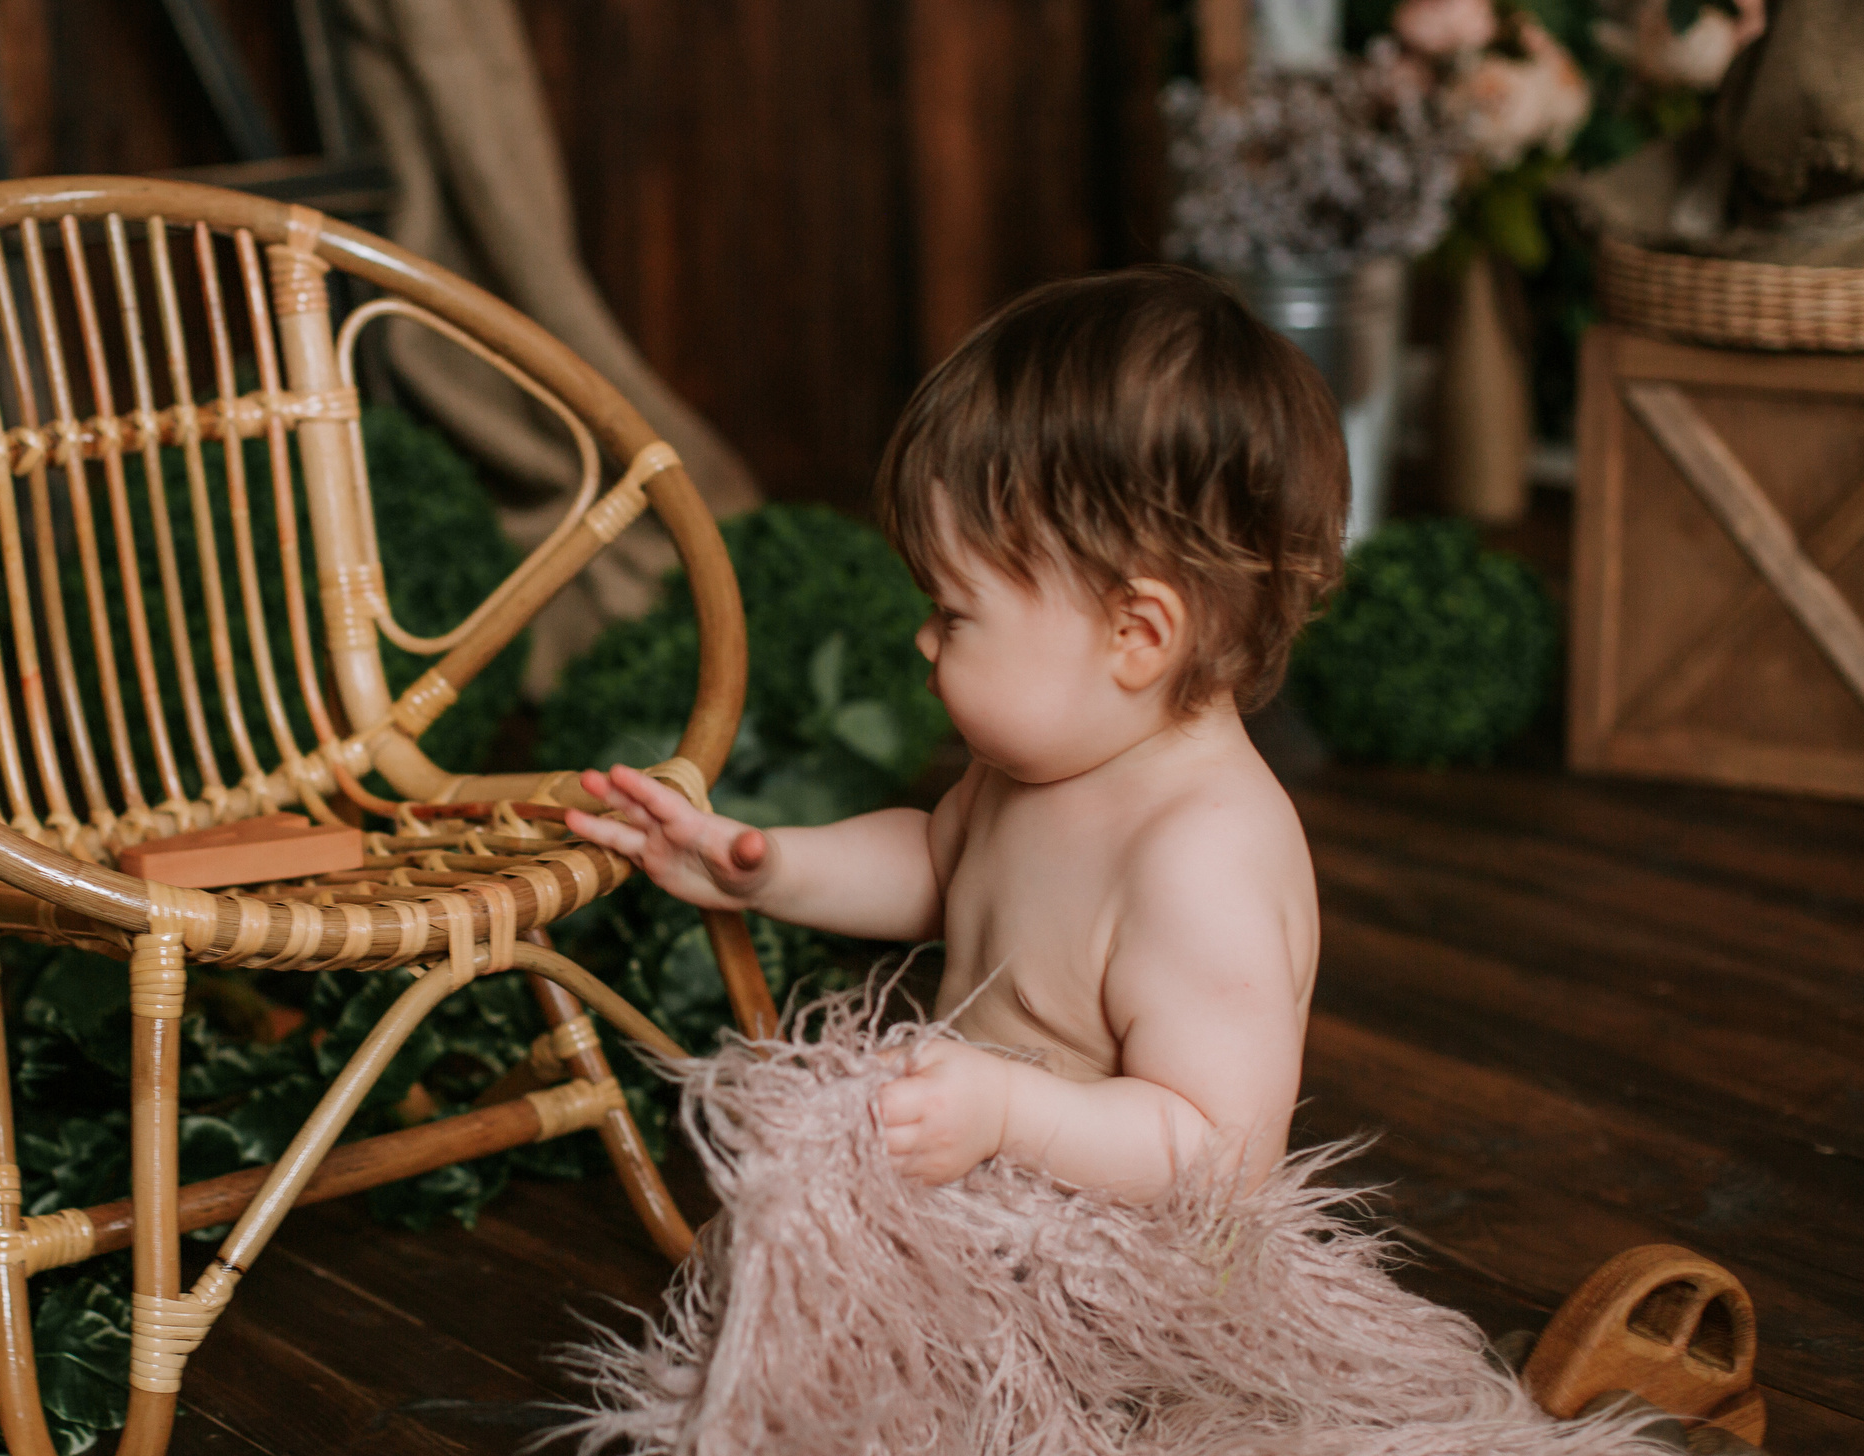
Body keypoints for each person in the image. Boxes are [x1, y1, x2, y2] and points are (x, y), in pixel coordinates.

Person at [567, 265, 1346, 1202]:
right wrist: (769, 868)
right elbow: (941, 867)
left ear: (1136, 635)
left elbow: (1215, 1151)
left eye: (956, 611)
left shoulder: (1200, 859)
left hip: (1116, 1266)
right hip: (982, 1209)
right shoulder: (1039, 767)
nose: (923, 637)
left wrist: (1011, 1117)